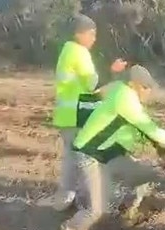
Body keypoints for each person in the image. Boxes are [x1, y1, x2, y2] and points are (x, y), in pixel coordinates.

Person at [59, 65, 165, 230]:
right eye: (145, 87)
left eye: (149, 87)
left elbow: (141, 128)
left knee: (144, 174)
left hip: (108, 152)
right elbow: (147, 127)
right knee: (94, 211)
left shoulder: (120, 91)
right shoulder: (125, 98)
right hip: (88, 154)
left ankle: (127, 211)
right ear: (132, 84)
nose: (148, 92)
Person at [39, 13, 128, 211]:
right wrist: (112, 70)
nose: (94, 38)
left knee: (72, 162)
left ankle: (64, 202)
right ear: (79, 33)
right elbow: (92, 83)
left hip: (67, 117)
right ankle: (92, 205)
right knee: (88, 162)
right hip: (76, 117)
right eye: (91, 33)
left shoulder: (67, 51)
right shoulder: (79, 52)